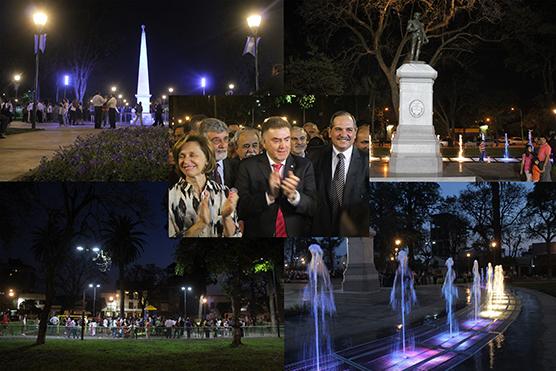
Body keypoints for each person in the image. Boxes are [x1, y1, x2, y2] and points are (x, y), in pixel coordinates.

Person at [236, 116, 316, 237]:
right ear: (263, 143)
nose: (283, 146)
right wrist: (269, 196)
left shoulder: (304, 165)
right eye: (276, 140)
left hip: (295, 236)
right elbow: (241, 208)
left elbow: (313, 206)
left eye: (287, 139)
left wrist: (295, 196)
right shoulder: (247, 166)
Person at [309, 111, 369, 236]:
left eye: (349, 130)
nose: (344, 134)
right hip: (320, 232)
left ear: (355, 132)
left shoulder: (367, 162)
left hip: (355, 233)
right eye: (338, 129)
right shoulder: (313, 158)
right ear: (329, 132)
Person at [168, 135, 240, 237]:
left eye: (192, 155)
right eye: (181, 156)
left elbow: (234, 235)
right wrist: (201, 223)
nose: (186, 161)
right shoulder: (170, 197)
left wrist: (226, 217)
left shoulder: (224, 192)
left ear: (207, 159)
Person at [199, 118, 235, 187]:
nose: (223, 145)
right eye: (216, 140)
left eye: (225, 139)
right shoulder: (196, 169)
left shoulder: (236, 167)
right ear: (203, 142)